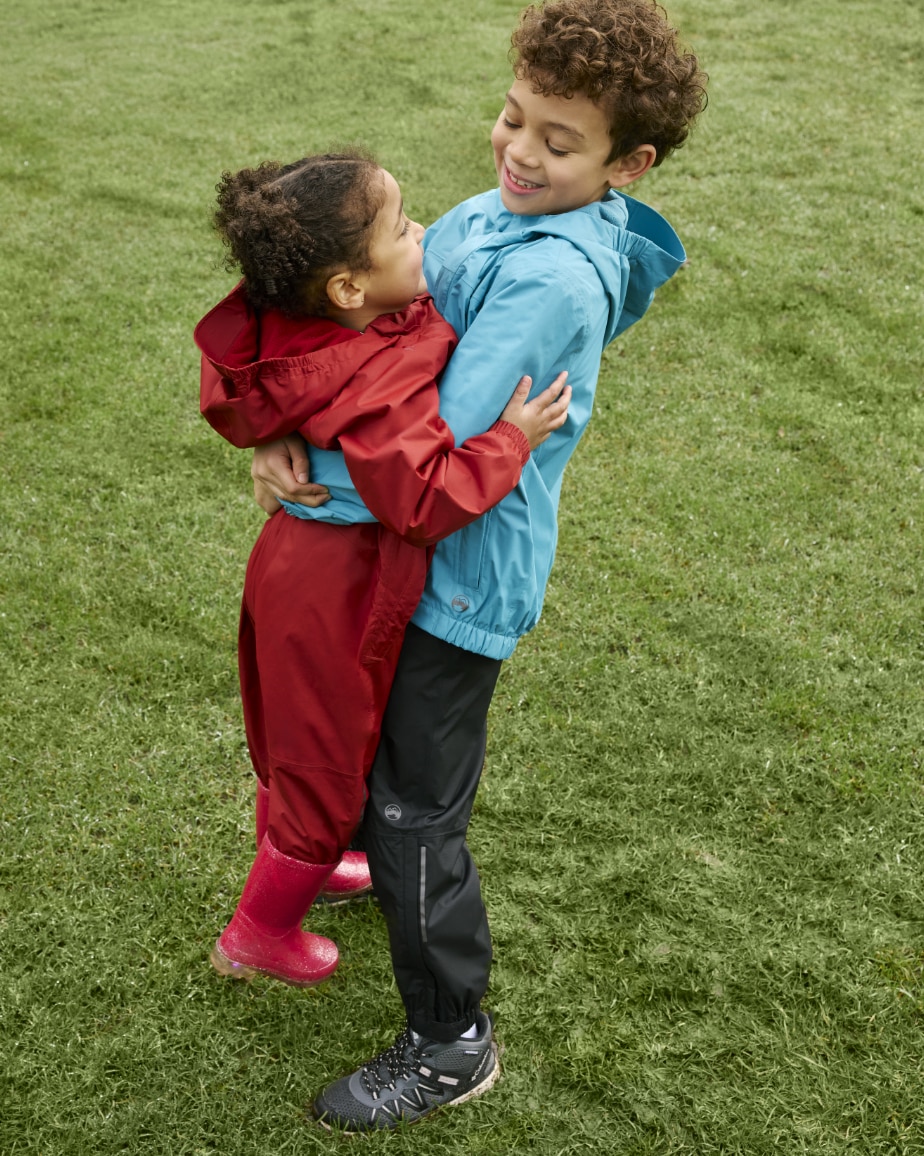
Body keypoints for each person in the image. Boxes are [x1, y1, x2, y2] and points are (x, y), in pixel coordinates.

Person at [253, 0, 707, 1130]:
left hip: (454, 581)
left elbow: (436, 462)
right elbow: (366, 336)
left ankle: (452, 1040)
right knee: (371, 755)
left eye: (559, 142)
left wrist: (310, 475)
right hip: (401, 559)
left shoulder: (554, 279)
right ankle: (365, 870)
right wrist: (279, 425)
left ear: (628, 163)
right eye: (514, 118)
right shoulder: (481, 213)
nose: (519, 151)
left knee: (417, 810)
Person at [195, 150, 571, 989]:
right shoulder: (379, 383)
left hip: (290, 567)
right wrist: (511, 439)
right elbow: (422, 500)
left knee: (293, 742)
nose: (424, 234)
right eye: (402, 228)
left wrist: (265, 434)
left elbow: (230, 369)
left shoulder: (309, 325)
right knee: (325, 763)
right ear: (348, 290)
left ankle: (314, 867)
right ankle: (258, 933)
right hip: (334, 588)